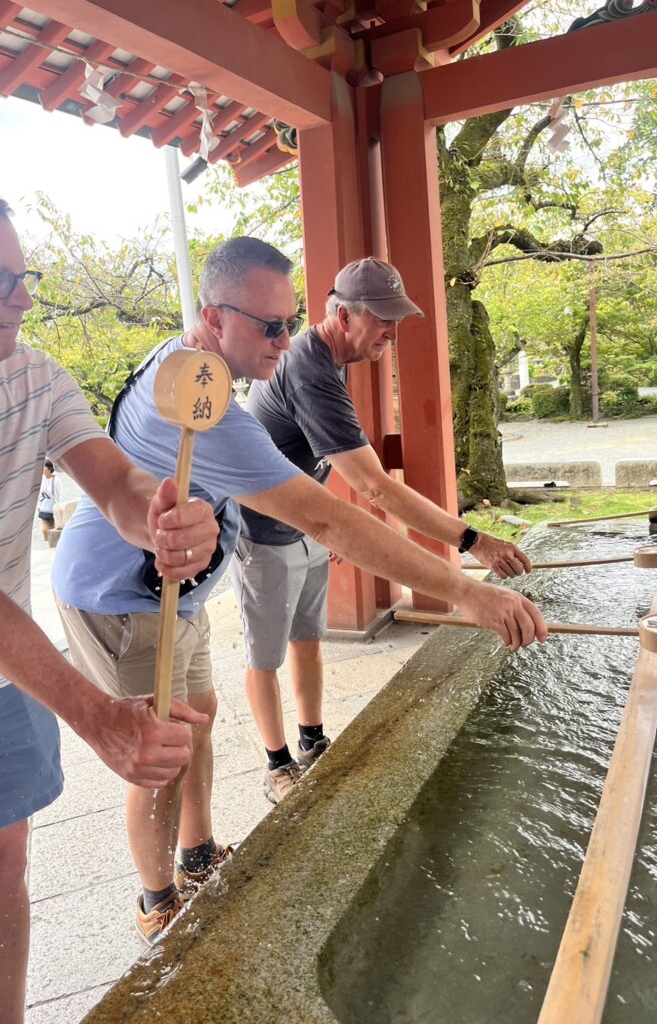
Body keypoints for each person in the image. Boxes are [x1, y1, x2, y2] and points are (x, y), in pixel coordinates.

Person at [52, 237, 547, 946]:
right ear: (212, 317)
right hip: (123, 595)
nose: (285, 340)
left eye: (290, 322)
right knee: (159, 756)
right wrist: (468, 593)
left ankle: (196, 860)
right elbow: (331, 514)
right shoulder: (207, 407)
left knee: (196, 721)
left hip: (177, 592)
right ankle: (157, 903)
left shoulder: (198, 367)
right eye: (269, 326)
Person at [0, 177, 220, 1024]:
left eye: (24, 276)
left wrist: (163, 519)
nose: (21, 298)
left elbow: (112, 480)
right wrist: (95, 711)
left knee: (2, 873)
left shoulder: (33, 375)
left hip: (5, 678)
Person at [230, 256, 537, 804]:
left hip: (307, 524)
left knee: (307, 640)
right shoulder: (307, 366)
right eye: (382, 319)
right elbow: (376, 486)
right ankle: (277, 767)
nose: (392, 332)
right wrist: (473, 543)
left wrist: (333, 532)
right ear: (343, 316)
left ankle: (312, 741)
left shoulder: (333, 358)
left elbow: (327, 461)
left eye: (396, 318)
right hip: (262, 531)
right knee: (265, 655)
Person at [37, 458, 62, 542]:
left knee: (55, 528)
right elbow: (40, 494)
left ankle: (54, 545)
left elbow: (60, 495)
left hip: (54, 507)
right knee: (44, 529)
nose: (42, 469)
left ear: (49, 468)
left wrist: (59, 506)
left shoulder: (56, 480)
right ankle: (48, 544)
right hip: (44, 507)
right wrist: (39, 506)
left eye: (44, 467)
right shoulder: (42, 480)